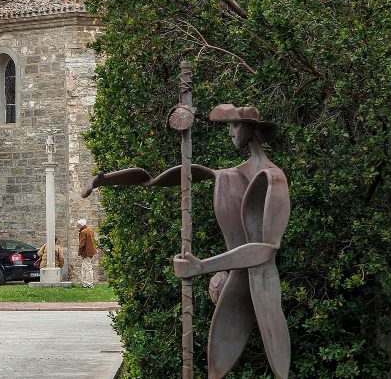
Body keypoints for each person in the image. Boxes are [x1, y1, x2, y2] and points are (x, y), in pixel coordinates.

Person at [82, 104, 290, 378]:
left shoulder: (273, 179)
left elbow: (266, 250)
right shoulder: (230, 175)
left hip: (262, 285)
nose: (230, 133)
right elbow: (162, 179)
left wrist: (201, 266)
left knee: (277, 364)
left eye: (235, 125)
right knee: (217, 368)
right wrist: (106, 180)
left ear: (252, 129)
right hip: (235, 283)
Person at [77, 218, 98, 287]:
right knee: (84, 267)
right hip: (90, 251)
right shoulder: (90, 230)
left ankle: (89, 283)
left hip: (86, 252)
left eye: (78, 225)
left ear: (81, 225)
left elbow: (82, 243)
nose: (77, 226)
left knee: (87, 267)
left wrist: (79, 252)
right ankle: (85, 283)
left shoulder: (83, 232)